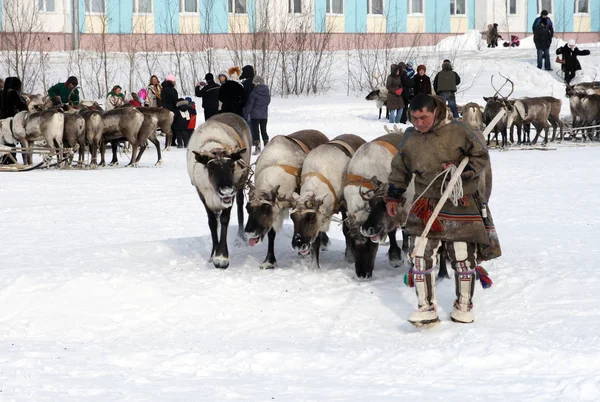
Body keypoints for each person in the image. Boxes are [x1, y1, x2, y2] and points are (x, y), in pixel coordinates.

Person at [385, 94, 495, 326]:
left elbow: (480, 156)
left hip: (459, 201)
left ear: (435, 112)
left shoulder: (460, 130)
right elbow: (400, 168)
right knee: (420, 256)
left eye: (423, 117)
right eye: (414, 118)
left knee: (462, 257)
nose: (419, 123)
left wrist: (461, 172)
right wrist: (393, 195)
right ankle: (426, 307)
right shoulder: (410, 137)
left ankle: (464, 306)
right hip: (426, 201)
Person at [0, 77, 28, 164]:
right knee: (13, 142)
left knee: (3, 142)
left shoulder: (1, 93)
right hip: (12, 122)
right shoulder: (14, 93)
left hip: (1, 121)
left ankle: (5, 159)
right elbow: (23, 107)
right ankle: (13, 160)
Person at [244, 76, 271, 155]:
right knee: (264, 131)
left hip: (255, 116)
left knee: (256, 132)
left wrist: (246, 114)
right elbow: (268, 102)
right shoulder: (267, 92)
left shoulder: (254, 92)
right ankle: (267, 147)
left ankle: (257, 148)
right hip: (264, 115)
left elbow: (250, 105)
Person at [161, 75, 179, 146]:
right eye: (174, 81)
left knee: (167, 126)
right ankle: (172, 141)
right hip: (172, 109)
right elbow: (175, 100)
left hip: (165, 109)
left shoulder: (163, 89)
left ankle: (167, 141)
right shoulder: (173, 90)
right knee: (173, 126)